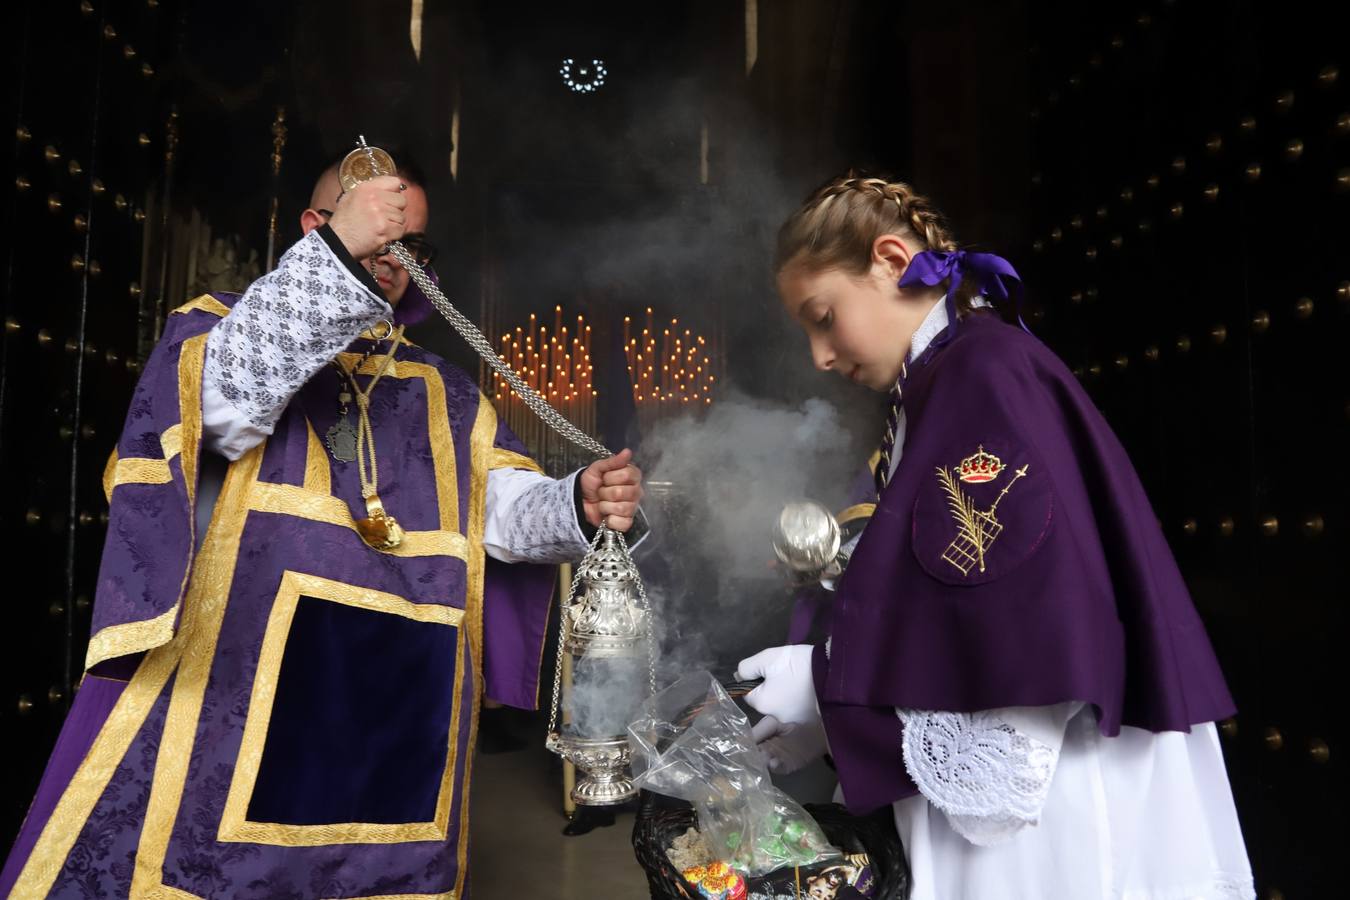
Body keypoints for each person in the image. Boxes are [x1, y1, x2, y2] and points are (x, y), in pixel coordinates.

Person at [2, 154, 644, 898]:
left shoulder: (448, 390)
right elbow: (219, 410)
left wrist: (576, 502)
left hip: (402, 709)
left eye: (415, 246)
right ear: (320, 225)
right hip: (240, 685)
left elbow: (498, 509)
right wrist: (338, 258)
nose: (398, 258)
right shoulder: (223, 326)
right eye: (384, 231)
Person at [736, 175, 1253, 899]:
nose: (820, 355)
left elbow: (1017, 629)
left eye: (824, 316)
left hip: (1057, 788)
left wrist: (827, 694)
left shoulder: (979, 370)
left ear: (890, 259)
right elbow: (951, 585)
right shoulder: (948, 374)